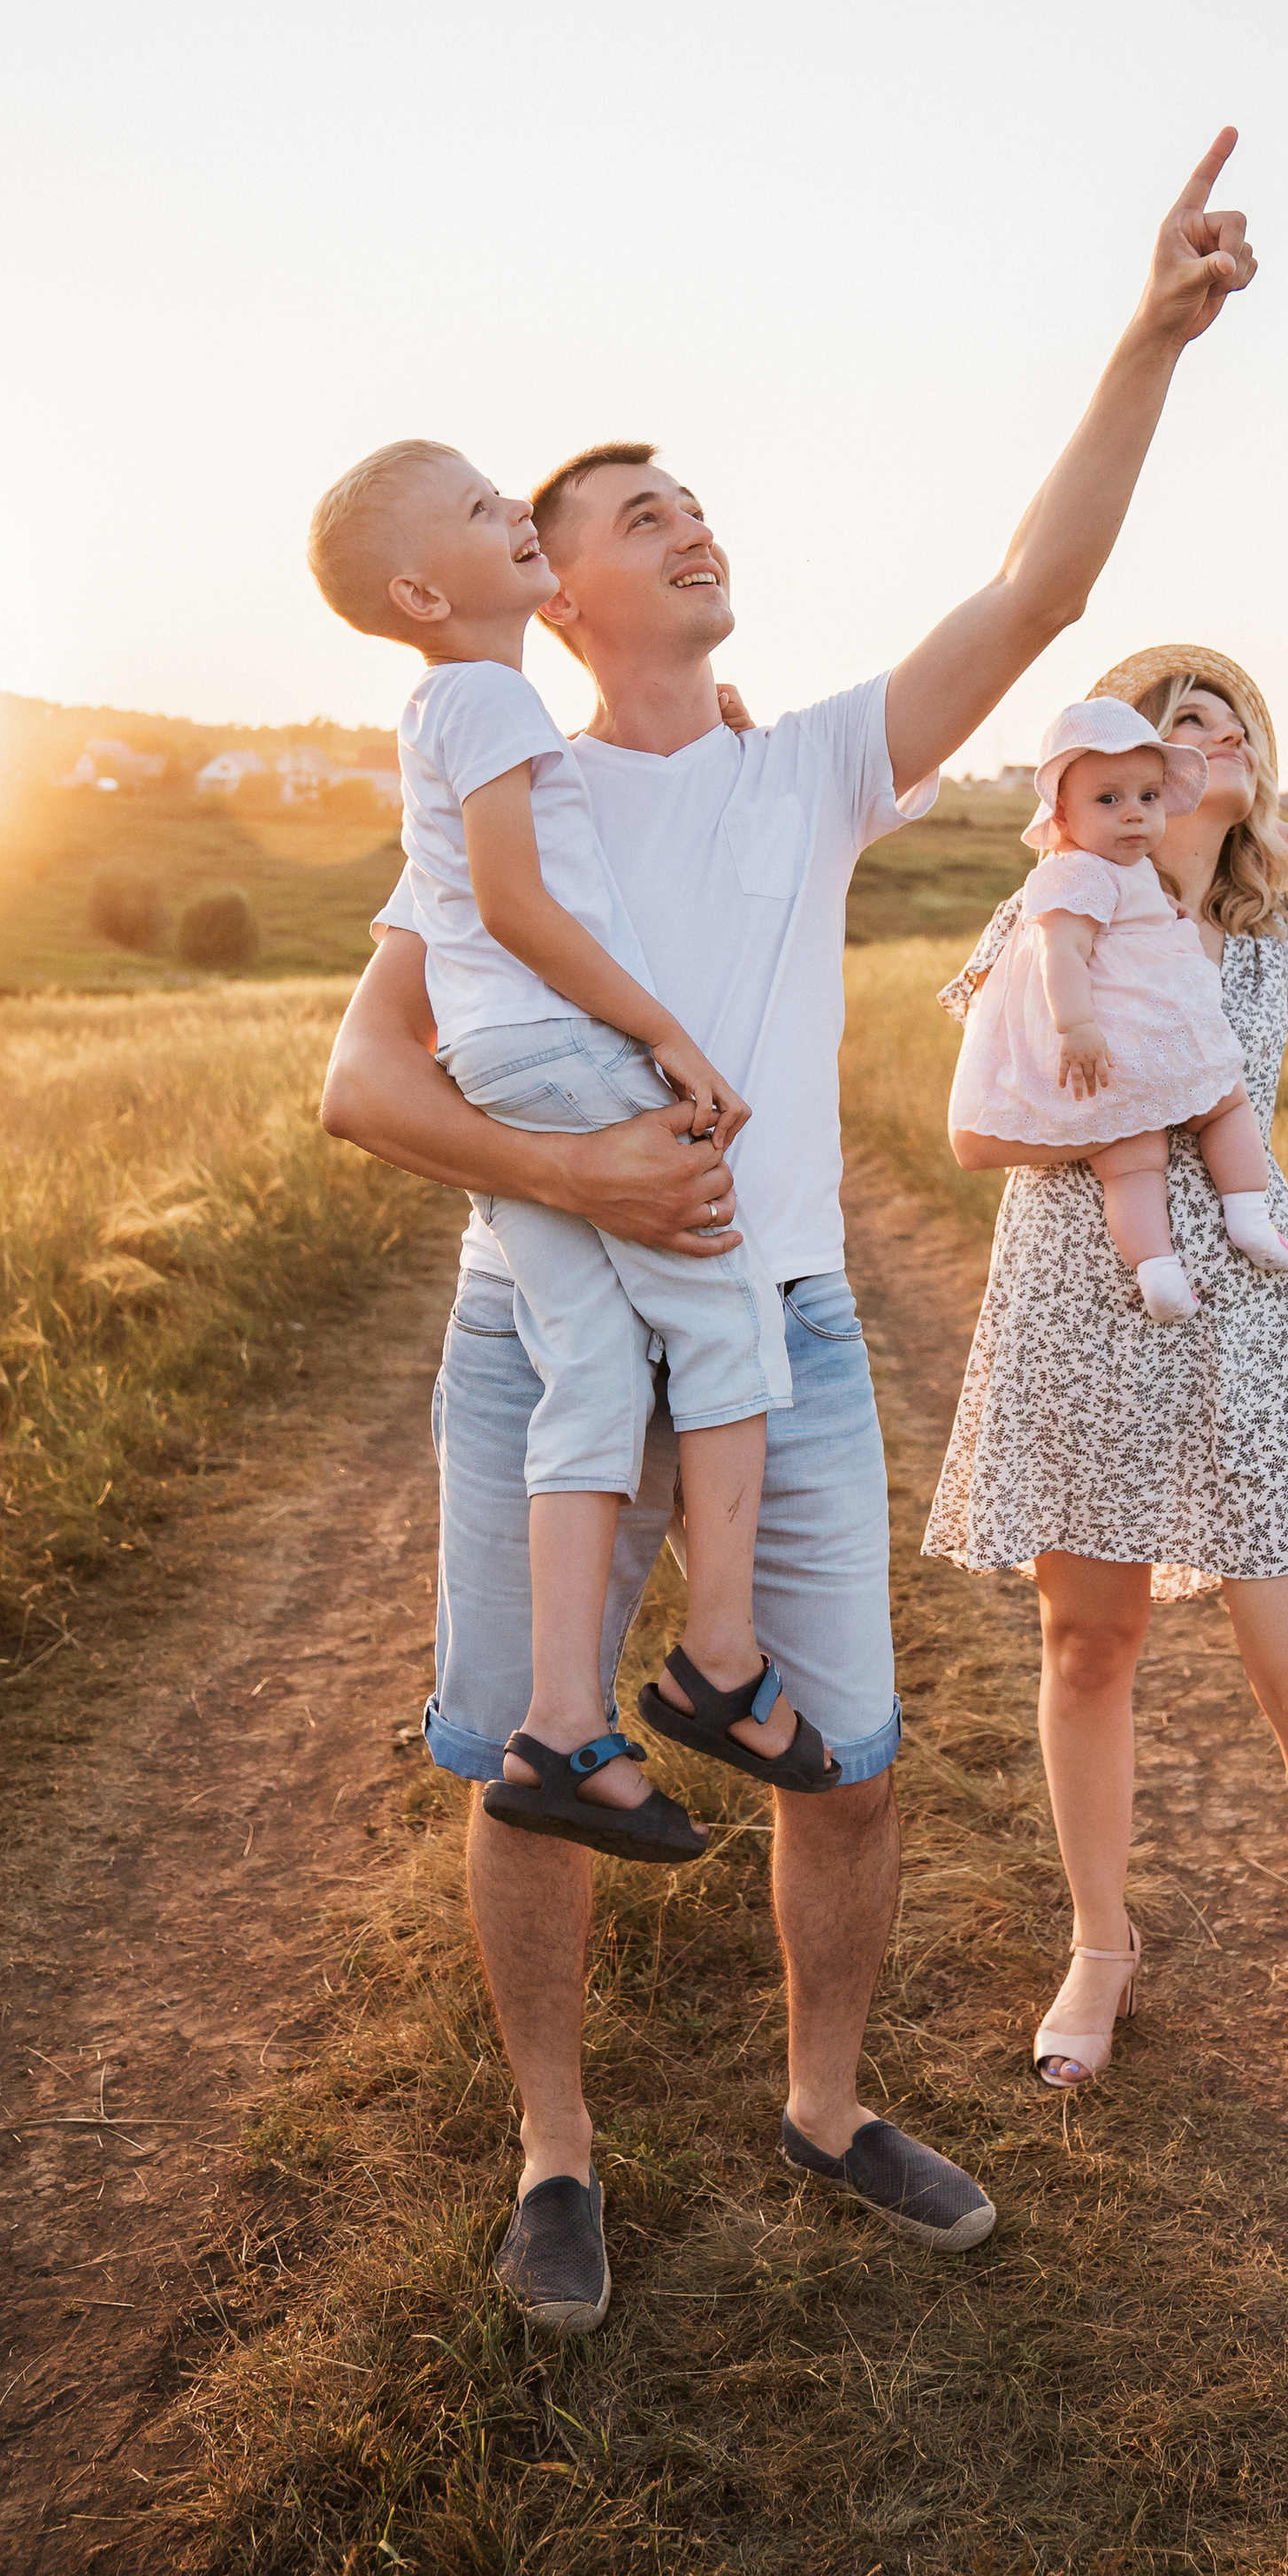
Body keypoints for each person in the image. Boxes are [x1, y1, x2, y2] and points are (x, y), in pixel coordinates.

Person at [318, 138, 1257, 2330]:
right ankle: (556, 2146)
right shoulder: (490, 810)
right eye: (641, 514)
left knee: (838, 1750)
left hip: (788, 1323)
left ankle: (824, 2104)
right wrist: (580, 1173)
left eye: (695, 498)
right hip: (533, 1337)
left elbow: (1032, 592)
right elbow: (359, 1088)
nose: (692, 523)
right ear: (545, 587)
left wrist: (1146, 333)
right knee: (519, 1757)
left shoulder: (806, 764)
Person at [923, 647, 1288, 2123]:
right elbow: (982, 1121)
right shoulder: (1043, 909)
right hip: (1073, 1299)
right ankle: (1098, 1951)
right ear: (1113, 769)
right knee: (1086, 1648)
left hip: (1247, 1320)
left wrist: (1268, 827)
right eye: (1177, 719)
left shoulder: (1279, 931)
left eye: (1232, 717)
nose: (1212, 727)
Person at [306, 438, 835, 1863]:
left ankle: (556, 1730)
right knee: (725, 1309)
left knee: (592, 1365)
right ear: (423, 589)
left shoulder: (464, 701)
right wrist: (669, 1037)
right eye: (485, 509)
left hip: (496, 1064)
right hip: (549, 1052)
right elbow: (522, 908)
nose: (509, 513)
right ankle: (718, 1663)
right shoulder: (487, 698)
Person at [946, 694, 1288, 1322]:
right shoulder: (1071, 874)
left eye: (1148, 797)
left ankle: (1158, 1272)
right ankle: (1248, 1213)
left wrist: (1174, 917)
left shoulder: (1126, 873)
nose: (1133, 815)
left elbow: (1134, 930)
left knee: (1132, 1166)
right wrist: (1075, 1026)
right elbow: (1060, 953)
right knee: (1227, 1103)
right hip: (1132, 1048)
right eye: (1108, 800)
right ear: (1061, 813)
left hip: (1120, 1068)